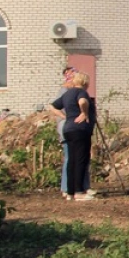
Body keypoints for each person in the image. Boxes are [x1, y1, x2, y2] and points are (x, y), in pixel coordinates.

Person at [50, 71, 97, 202]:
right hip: (80, 129)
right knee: (81, 159)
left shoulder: (67, 94)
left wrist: (64, 117)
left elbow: (53, 106)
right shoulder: (81, 92)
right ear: (85, 83)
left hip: (68, 129)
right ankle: (79, 192)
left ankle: (70, 192)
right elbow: (82, 102)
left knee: (71, 160)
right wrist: (84, 113)